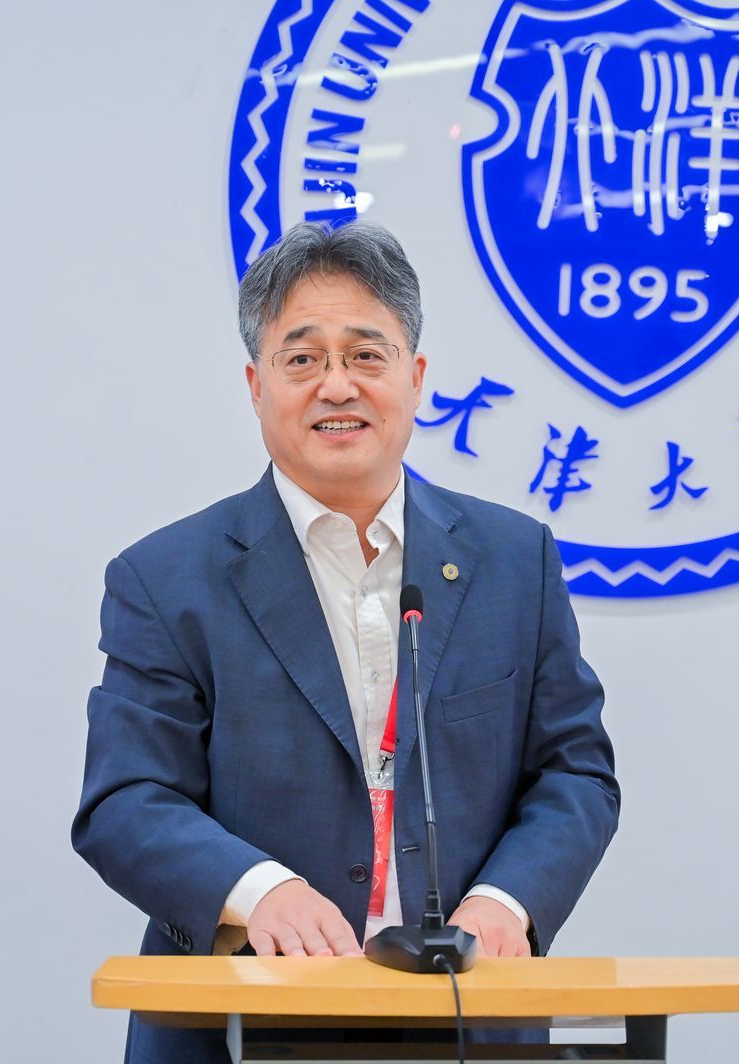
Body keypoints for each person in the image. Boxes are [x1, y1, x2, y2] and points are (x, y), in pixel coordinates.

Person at [72, 221, 619, 1062]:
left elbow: (574, 772)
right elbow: (126, 799)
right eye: (302, 359)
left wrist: (506, 902)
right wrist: (260, 892)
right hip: (242, 1019)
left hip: (467, 1014)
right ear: (256, 385)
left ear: (416, 378)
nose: (337, 385)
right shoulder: (165, 578)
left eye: (367, 355)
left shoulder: (516, 561)